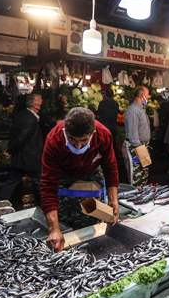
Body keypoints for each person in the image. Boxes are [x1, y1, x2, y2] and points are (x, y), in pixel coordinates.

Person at [40, 107, 119, 252]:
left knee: (94, 219)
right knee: (65, 221)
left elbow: (110, 167)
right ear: (65, 131)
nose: (78, 145)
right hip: (64, 177)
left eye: (83, 140)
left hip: (91, 175)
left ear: (92, 133)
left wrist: (114, 199)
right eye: (72, 140)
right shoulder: (54, 139)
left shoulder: (103, 134)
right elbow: (48, 185)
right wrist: (54, 228)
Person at [0, 93, 44, 203]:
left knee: (11, 181)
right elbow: (21, 138)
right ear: (35, 103)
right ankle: (45, 205)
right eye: (40, 99)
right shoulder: (29, 118)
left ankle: (0, 203)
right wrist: (10, 150)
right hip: (29, 157)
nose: (42, 101)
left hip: (22, 158)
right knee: (39, 182)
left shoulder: (25, 115)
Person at [123, 86, 151, 186]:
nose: (148, 97)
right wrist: (140, 150)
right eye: (147, 95)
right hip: (135, 148)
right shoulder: (133, 110)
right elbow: (133, 134)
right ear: (142, 95)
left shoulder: (141, 109)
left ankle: (141, 193)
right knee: (136, 176)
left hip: (142, 147)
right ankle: (135, 196)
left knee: (143, 175)